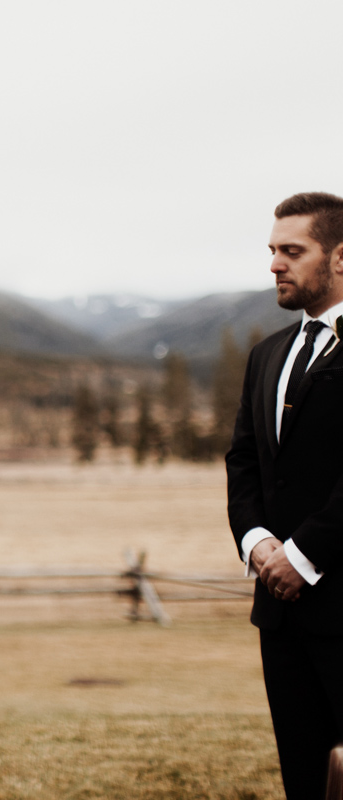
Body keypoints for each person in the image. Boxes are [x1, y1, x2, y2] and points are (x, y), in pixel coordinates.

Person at [227, 191, 343, 800]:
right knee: (304, 777)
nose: (275, 264)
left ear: (341, 257)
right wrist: (258, 542)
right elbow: (244, 461)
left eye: (292, 251)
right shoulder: (266, 355)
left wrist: (303, 556)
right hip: (280, 614)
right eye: (273, 251)